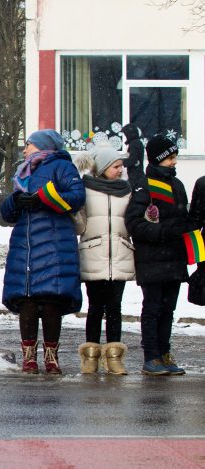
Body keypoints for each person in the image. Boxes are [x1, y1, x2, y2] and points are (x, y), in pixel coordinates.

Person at [1, 129, 85, 374]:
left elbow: (77, 196)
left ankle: (51, 357)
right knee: (26, 301)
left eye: (28, 144)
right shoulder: (23, 171)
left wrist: (43, 198)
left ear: (42, 146)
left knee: (50, 300)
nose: (25, 149)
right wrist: (16, 201)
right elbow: (8, 213)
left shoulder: (62, 167)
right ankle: (29, 358)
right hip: (25, 245)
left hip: (54, 243)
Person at [125, 135, 196, 375]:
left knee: (168, 310)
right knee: (153, 309)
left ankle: (164, 354)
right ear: (158, 160)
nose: (175, 162)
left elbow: (182, 219)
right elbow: (134, 224)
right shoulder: (145, 186)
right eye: (171, 158)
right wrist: (164, 231)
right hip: (152, 260)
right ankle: (151, 357)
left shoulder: (177, 185)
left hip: (174, 259)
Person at [72, 146, 134, 374]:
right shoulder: (85, 189)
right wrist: (74, 213)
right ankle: (91, 356)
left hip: (120, 254)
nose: (120, 170)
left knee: (115, 307)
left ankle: (114, 356)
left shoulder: (127, 191)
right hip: (94, 254)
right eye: (116, 166)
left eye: (121, 166)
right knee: (95, 307)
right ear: (103, 167)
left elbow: (132, 222)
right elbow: (80, 226)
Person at [121, 124, 145, 189]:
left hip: (135, 176)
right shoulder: (137, 142)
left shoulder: (134, 143)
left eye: (126, 135)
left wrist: (122, 162)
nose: (126, 137)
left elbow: (133, 159)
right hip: (137, 175)